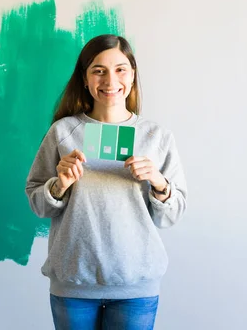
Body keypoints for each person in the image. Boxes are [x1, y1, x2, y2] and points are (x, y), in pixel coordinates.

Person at [25, 34, 188, 330]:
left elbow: (173, 213)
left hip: (135, 286)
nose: (110, 80)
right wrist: (59, 185)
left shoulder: (157, 137)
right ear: (85, 79)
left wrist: (159, 183)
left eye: (120, 69)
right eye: (98, 70)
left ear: (133, 74)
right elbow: (38, 203)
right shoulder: (62, 132)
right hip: (73, 283)